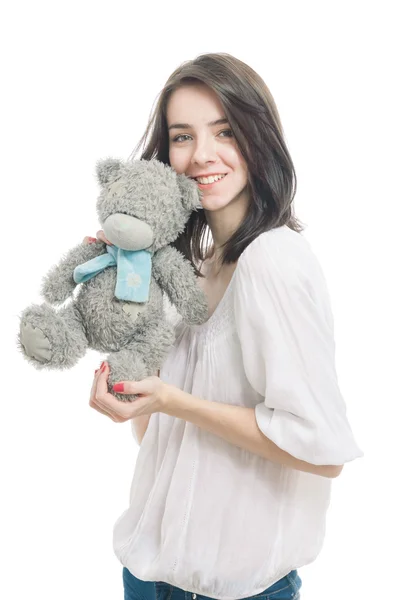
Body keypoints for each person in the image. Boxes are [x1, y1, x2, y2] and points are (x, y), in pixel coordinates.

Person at [85, 53, 364, 600]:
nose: (201, 155)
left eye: (225, 132)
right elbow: (163, 439)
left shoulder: (274, 260)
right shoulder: (202, 268)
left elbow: (323, 451)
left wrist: (172, 400)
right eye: (182, 136)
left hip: (233, 590)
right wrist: (136, 372)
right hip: (150, 573)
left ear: (259, 140)